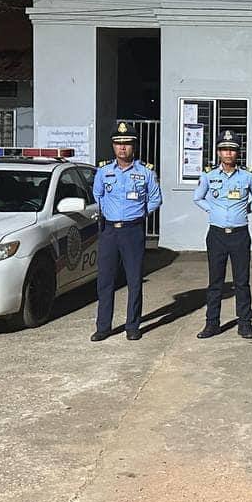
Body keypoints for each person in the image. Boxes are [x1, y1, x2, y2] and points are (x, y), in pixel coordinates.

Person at [90, 121, 162, 342]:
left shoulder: (145, 172)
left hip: (133, 230)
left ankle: (132, 326)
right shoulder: (104, 171)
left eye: (127, 143)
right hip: (110, 231)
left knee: (134, 280)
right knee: (105, 280)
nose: (122, 148)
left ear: (134, 146)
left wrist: (140, 214)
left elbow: (155, 198)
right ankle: (103, 326)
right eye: (118, 143)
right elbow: (97, 195)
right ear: (113, 146)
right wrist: (108, 213)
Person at [193, 130, 252, 339]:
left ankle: (244, 323)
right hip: (216, 235)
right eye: (224, 149)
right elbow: (198, 198)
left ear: (237, 153)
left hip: (239, 235)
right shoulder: (209, 176)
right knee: (215, 282)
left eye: (232, 150)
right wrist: (213, 210)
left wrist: (244, 210)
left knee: (241, 282)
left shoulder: (248, 176)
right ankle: (212, 324)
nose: (228, 153)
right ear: (218, 152)